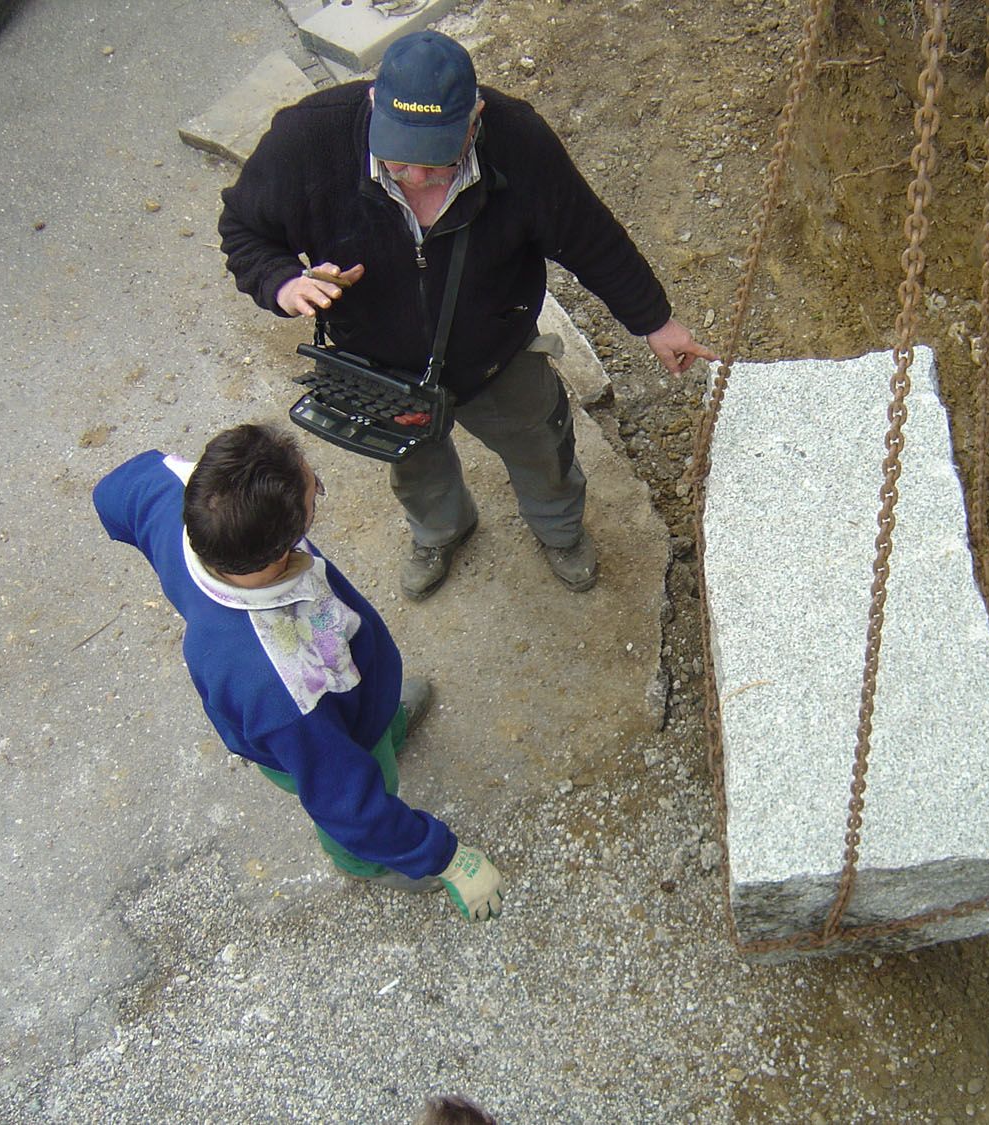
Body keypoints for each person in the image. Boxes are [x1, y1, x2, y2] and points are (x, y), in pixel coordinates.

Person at [218, 30, 716, 600]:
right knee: (416, 469)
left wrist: (654, 321)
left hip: (496, 357)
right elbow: (243, 229)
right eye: (398, 162)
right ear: (375, 103)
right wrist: (282, 283)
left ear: (475, 119)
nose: (418, 181)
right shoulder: (308, 139)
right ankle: (440, 531)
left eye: (439, 164)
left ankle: (560, 531)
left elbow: (589, 237)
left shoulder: (519, 140)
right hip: (381, 370)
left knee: (542, 449)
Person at [92, 423, 503, 922]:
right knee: (358, 782)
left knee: (363, 742)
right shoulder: (282, 688)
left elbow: (115, 492)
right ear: (280, 546)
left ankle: (383, 727)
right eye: (317, 494)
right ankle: (360, 862)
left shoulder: (186, 501)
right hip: (313, 738)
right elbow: (344, 803)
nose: (316, 493)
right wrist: (447, 858)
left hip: (337, 696)